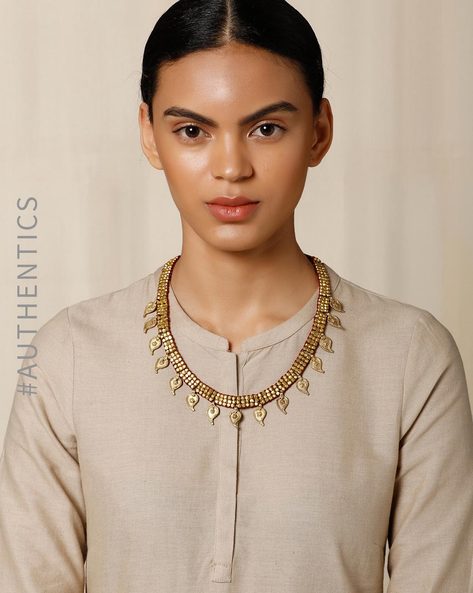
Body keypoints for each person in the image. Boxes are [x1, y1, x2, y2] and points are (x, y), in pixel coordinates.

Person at [1, 0, 472, 591]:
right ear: (149, 135)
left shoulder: (409, 358)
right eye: (192, 131)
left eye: (266, 128)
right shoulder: (68, 357)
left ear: (319, 131)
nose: (231, 167)